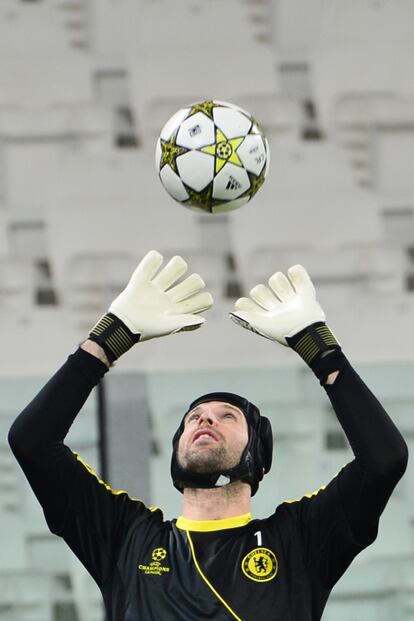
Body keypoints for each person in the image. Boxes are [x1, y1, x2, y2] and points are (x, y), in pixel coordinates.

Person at [8, 249, 408, 621]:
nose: (204, 421)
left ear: (257, 451)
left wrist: (320, 351)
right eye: (193, 417)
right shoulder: (125, 539)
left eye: (226, 416)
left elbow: (383, 460)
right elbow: (32, 443)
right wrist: (108, 340)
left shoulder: (300, 542)